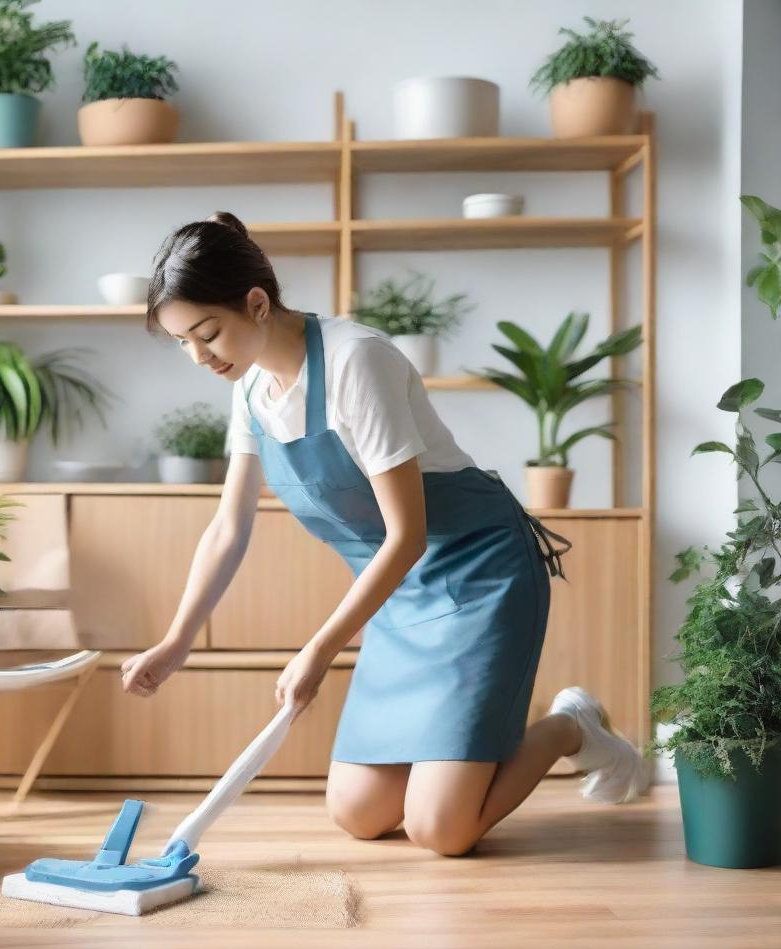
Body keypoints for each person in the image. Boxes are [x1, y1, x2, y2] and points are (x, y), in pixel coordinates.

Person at [120, 210, 648, 857]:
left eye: (208, 334)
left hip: (476, 576)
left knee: (441, 830)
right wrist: (177, 641)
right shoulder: (252, 389)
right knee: (359, 813)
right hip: (399, 596)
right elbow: (229, 526)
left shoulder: (354, 361)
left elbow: (406, 535)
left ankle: (572, 726)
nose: (200, 357)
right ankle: (483, 756)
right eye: (182, 342)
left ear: (256, 303)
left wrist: (318, 650)